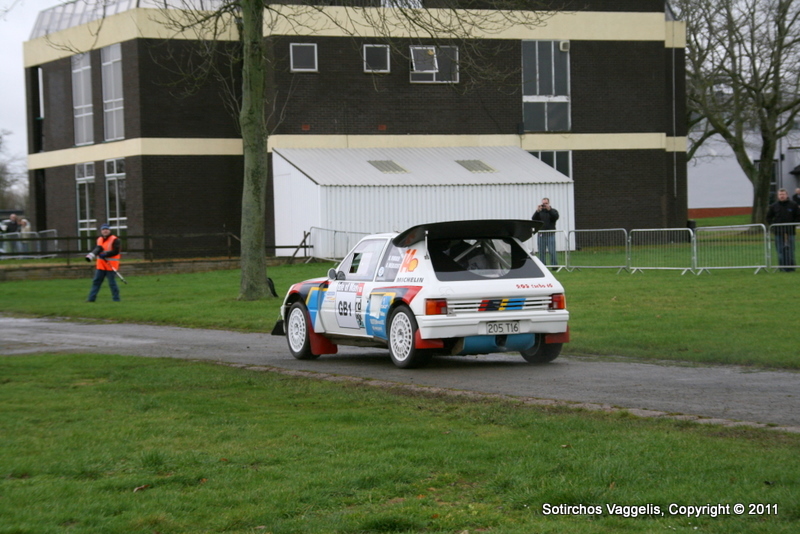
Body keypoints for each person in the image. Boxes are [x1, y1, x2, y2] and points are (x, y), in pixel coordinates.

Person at [86, 224, 122, 301]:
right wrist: (93, 254)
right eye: (103, 229)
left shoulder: (115, 239)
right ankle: (91, 299)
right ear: (101, 231)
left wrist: (106, 254)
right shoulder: (99, 239)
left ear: (109, 230)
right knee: (96, 282)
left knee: (112, 283)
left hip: (111, 265)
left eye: (106, 229)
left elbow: (116, 251)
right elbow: (97, 248)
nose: (105, 231)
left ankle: (116, 299)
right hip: (101, 265)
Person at [766, 188, 799, 272]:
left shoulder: (793, 205)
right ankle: (782, 267)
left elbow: (798, 216)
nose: (782, 196)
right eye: (780, 194)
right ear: (778, 196)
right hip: (778, 232)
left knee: (790, 250)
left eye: (783, 194)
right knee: (780, 250)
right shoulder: (773, 206)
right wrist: (774, 226)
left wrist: (793, 224)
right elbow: (768, 217)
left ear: (786, 195)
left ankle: (791, 267)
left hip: (790, 231)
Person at [531, 197, 560, 266]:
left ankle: (554, 265)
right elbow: (533, 219)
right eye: (543, 203)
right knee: (541, 251)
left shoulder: (553, 211)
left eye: (546, 203)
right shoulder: (540, 212)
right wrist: (537, 211)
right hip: (541, 234)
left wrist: (549, 210)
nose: (544, 205)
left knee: (552, 251)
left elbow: (555, 217)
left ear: (549, 203)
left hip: (550, 234)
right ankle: (542, 265)